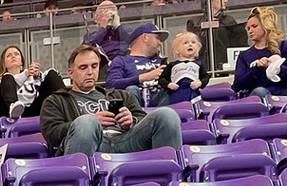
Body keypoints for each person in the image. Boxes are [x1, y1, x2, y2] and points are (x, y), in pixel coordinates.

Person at [41, 43, 182, 155]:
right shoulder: (56, 100)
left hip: (127, 141)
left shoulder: (121, 95)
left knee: (167, 115)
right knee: (87, 122)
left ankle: (169, 179)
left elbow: (142, 118)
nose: (90, 72)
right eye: (83, 67)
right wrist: (92, 121)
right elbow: (52, 135)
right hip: (93, 144)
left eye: (94, 66)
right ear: (71, 73)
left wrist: (132, 121)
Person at [233, 6, 287, 98]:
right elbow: (237, 86)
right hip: (260, 95)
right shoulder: (244, 55)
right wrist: (257, 68)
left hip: (284, 94)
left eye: (254, 26)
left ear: (265, 26)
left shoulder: (284, 45)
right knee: (260, 91)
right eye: (248, 28)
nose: (250, 31)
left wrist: (277, 68)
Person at [0, 45, 66, 119]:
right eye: (9, 55)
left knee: (52, 73)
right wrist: (24, 75)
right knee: (8, 76)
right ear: (4, 64)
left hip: (31, 110)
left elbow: (43, 91)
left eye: (16, 54)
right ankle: (13, 106)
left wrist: (38, 76)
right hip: (7, 113)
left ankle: (67, 104)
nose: (13, 56)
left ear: (21, 62)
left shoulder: (30, 77)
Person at [106, 23, 168, 106]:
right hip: (135, 105)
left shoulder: (161, 61)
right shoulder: (121, 60)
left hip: (161, 102)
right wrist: (142, 78)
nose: (160, 43)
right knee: (131, 89)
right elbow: (111, 85)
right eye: (157, 38)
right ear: (145, 37)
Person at [188, 0, 247, 71]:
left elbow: (237, 45)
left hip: (224, 66)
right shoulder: (195, 22)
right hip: (202, 67)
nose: (226, 1)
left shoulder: (229, 21)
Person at [159, 31, 210, 103]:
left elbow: (206, 77)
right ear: (177, 50)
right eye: (186, 43)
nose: (190, 45)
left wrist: (200, 83)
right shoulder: (172, 65)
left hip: (193, 93)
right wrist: (168, 84)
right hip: (176, 94)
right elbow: (162, 79)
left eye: (193, 42)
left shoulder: (199, 64)